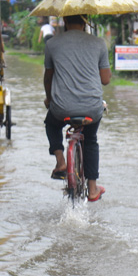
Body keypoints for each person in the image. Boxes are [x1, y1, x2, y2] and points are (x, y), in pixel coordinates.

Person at [43, 15, 110, 202]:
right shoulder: (99, 43)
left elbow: (48, 78)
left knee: (51, 124)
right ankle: (93, 188)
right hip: (92, 108)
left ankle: (60, 161)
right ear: (85, 21)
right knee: (90, 140)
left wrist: (49, 99)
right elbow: (105, 80)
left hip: (61, 108)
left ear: (65, 20)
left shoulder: (52, 44)